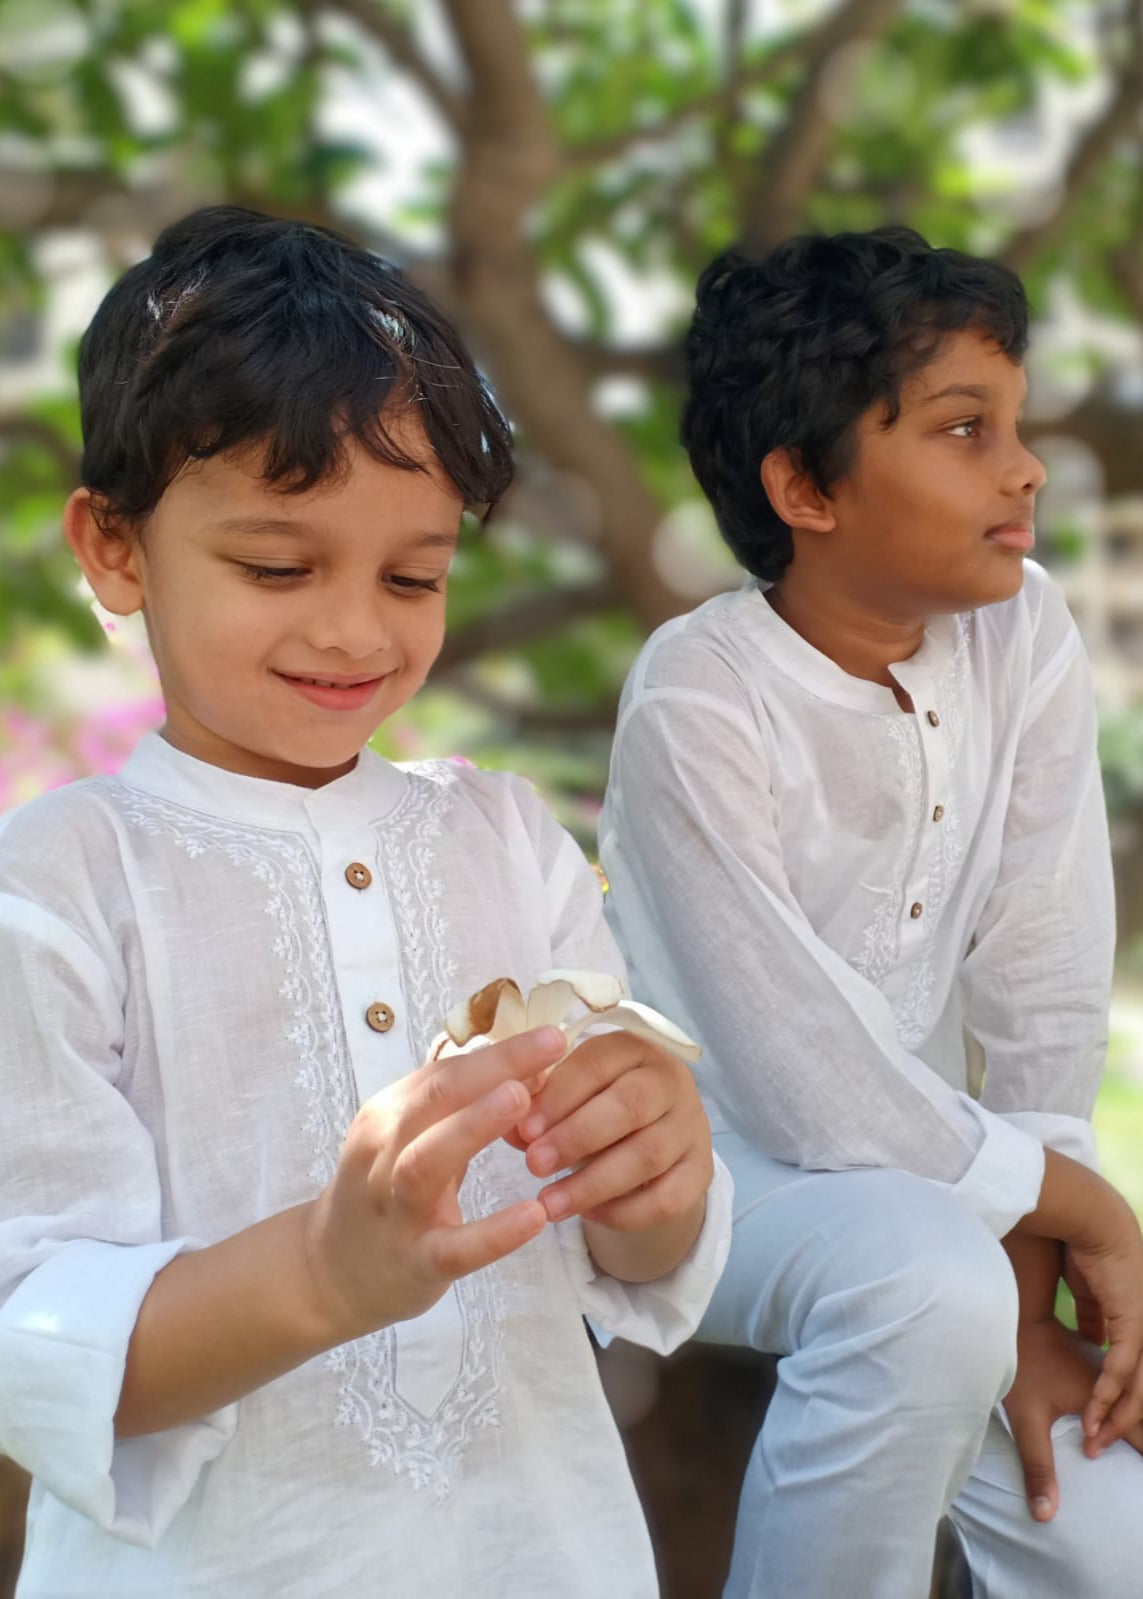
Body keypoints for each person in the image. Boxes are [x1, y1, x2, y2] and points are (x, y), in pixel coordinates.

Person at [0, 205, 731, 1599]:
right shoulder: (59, 888)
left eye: (414, 576)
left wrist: (659, 1172)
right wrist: (325, 1278)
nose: (354, 629)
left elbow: (633, 1257)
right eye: (277, 566)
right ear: (114, 548)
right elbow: (41, 1349)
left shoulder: (508, 843)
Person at [599, 226, 1143, 1598]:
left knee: (1114, 1540)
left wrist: (1037, 1298)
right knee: (926, 1285)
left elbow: (1043, 975)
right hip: (698, 1180)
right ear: (804, 487)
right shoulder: (698, 699)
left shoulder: (1021, 631)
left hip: (946, 1195)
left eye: (1015, 422)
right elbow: (802, 1077)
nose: (1024, 467)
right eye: (965, 428)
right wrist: (1083, 1209)